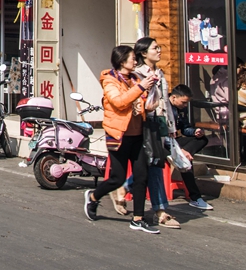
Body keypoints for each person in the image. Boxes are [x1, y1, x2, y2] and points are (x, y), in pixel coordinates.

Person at [84, 45, 160, 234]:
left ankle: (138, 218)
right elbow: (119, 102)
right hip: (118, 136)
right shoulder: (110, 81)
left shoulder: (134, 79)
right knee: (117, 178)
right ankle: (93, 197)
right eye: (132, 58)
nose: (135, 62)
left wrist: (149, 95)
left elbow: (139, 103)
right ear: (121, 61)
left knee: (142, 176)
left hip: (138, 135)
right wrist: (141, 87)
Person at [124, 36, 179, 229]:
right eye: (155, 48)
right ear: (143, 53)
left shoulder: (161, 74)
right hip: (144, 124)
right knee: (155, 165)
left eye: (159, 47)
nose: (159, 50)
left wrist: (171, 128)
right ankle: (161, 211)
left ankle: (123, 188)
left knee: (154, 164)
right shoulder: (136, 74)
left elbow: (166, 102)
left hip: (159, 122)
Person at [167, 85, 213, 210]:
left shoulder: (181, 109)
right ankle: (195, 197)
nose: (185, 105)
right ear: (174, 97)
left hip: (176, 141)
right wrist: (178, 149)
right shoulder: (163, 107)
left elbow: (185, 128)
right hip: (164, 142)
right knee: (186, 162)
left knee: (202, 139)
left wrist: (194, 131)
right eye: (183, 102)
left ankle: (183, 154)